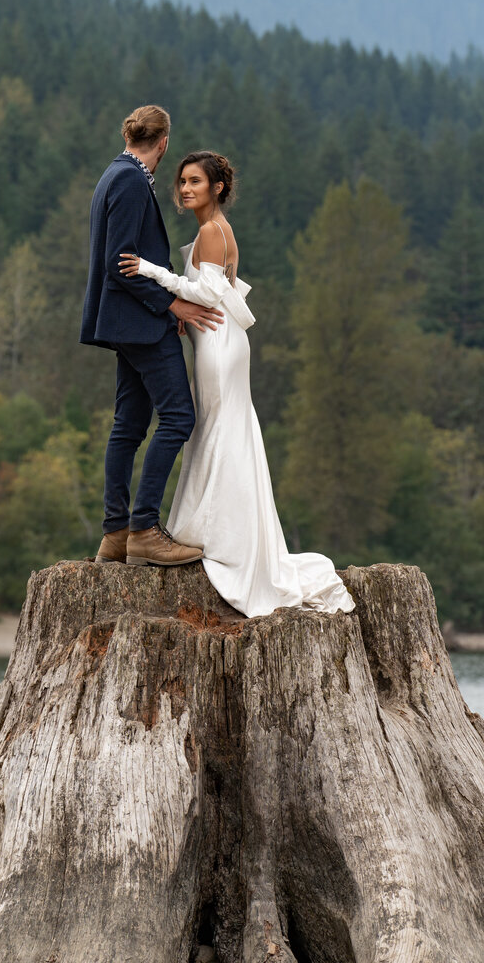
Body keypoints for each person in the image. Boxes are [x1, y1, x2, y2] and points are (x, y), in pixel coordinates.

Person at [118, 150, 355, 618]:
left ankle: (218, 535)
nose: (185, 189)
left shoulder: (212, 230)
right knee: (217, 429)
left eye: (195, 182)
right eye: (182, 181)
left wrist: (149, 271)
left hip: (219, 348)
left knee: (218, 430)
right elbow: (222, 291)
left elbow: (205, 293)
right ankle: (214, 528)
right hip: (217, 339)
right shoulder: (216, 230)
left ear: (217, 188)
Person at [80, 106, 224, 567]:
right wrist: (171, 304)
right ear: (163, 143)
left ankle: (116, 534)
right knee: (179, 417)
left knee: (129, 425)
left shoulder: (115, 174)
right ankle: (142, 529)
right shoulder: (127, 180)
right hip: (141, 323)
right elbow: (118, 265)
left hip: (130, 322)